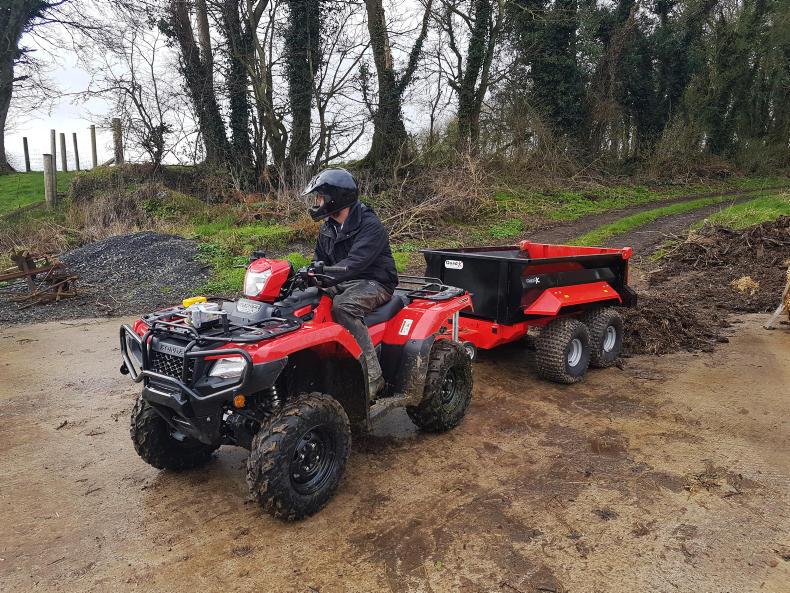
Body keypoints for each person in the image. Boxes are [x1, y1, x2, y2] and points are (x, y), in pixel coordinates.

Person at [302, 168, 398, 396]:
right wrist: (308, 274)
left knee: (343, 307)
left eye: (320, 197)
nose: (317, 203)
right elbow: (319, 260)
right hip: (345, 280)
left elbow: (355, 263)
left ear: (336, 197)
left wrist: (322, 274)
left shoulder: (369, 224)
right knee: (306, 302)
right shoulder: (328, 228)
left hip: (375, 281)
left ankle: (374, 376)